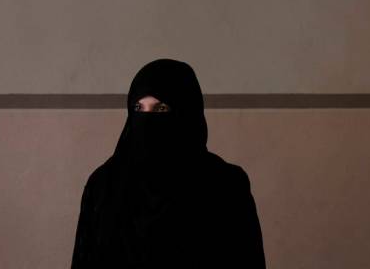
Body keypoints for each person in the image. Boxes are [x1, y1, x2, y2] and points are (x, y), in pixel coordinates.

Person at [72, 59, 265, 268]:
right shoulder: (103, 186)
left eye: (161, 108)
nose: (147, 120)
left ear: (186, 113)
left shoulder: (225, 186)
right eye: (138, 107)